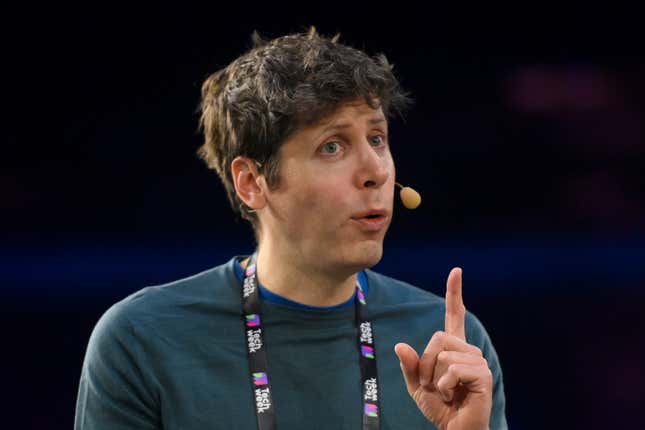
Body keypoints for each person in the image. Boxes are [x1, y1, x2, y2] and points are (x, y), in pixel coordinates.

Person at [75, 27, 507, 429]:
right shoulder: (142, 340)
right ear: (252, 182)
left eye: (377, 139)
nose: (376, 171)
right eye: (332, 146)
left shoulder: (450, 347)